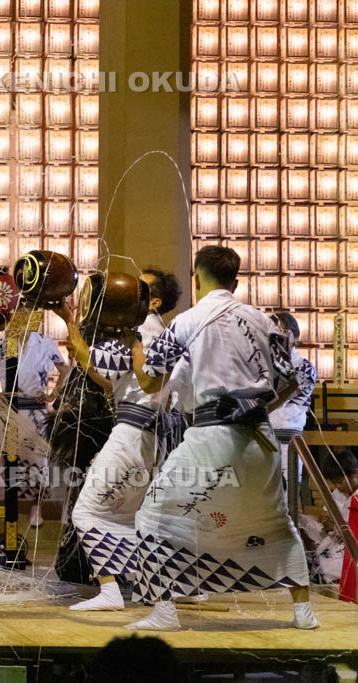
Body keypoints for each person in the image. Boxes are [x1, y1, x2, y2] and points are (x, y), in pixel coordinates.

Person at [126, 245, 317, 631]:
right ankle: (304, 613)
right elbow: (292, 380)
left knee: (153, 515)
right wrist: (257, 407)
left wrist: (133, 338)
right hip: (260, 436)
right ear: (236, 281)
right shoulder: (265, 322)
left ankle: (165, 613)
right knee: (275, 520)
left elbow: (149, 380)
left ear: (196, 279)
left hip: (212, 436)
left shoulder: (188, 320)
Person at [57, 269, 182, 611]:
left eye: (141, 288)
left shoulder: (140, 332)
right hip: (152, 441)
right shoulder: (162, 334)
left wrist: (69, 318)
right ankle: (153, 587)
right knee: (123, 519)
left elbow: (90, 360)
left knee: (86, 513)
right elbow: (106, 378)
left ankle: (111, 591)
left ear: (152, 301)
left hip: (130, 437)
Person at [0, 302, 70, 526]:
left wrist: (52, 395)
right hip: (10, 408)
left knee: (39, 462)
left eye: (30, 316)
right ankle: (10, 508)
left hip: (35, 408)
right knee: (10, 460)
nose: (26, 319)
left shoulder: (45, 343)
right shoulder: (2, 342)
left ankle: (36, 509)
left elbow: (65, 369)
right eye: (21, 315)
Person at [268, 311, 317, 487]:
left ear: (295, 336)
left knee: (288, 492)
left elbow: (278, 401)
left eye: (284, 333)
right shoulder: (261, 364)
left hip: (287, 439)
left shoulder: (305, 368)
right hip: (261, 437)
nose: (277, 338)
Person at [299, 452, 358, 584]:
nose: (337, 486)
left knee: (327, 566)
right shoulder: (337, 494)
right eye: (334, 483)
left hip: (351, 544)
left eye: (340, 481)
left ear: (355, 473)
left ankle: (318, 572)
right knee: (304, 521)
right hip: (335, 539)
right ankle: (313, 564)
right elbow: (327, 517)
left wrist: (337, 527)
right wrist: (326, 521)